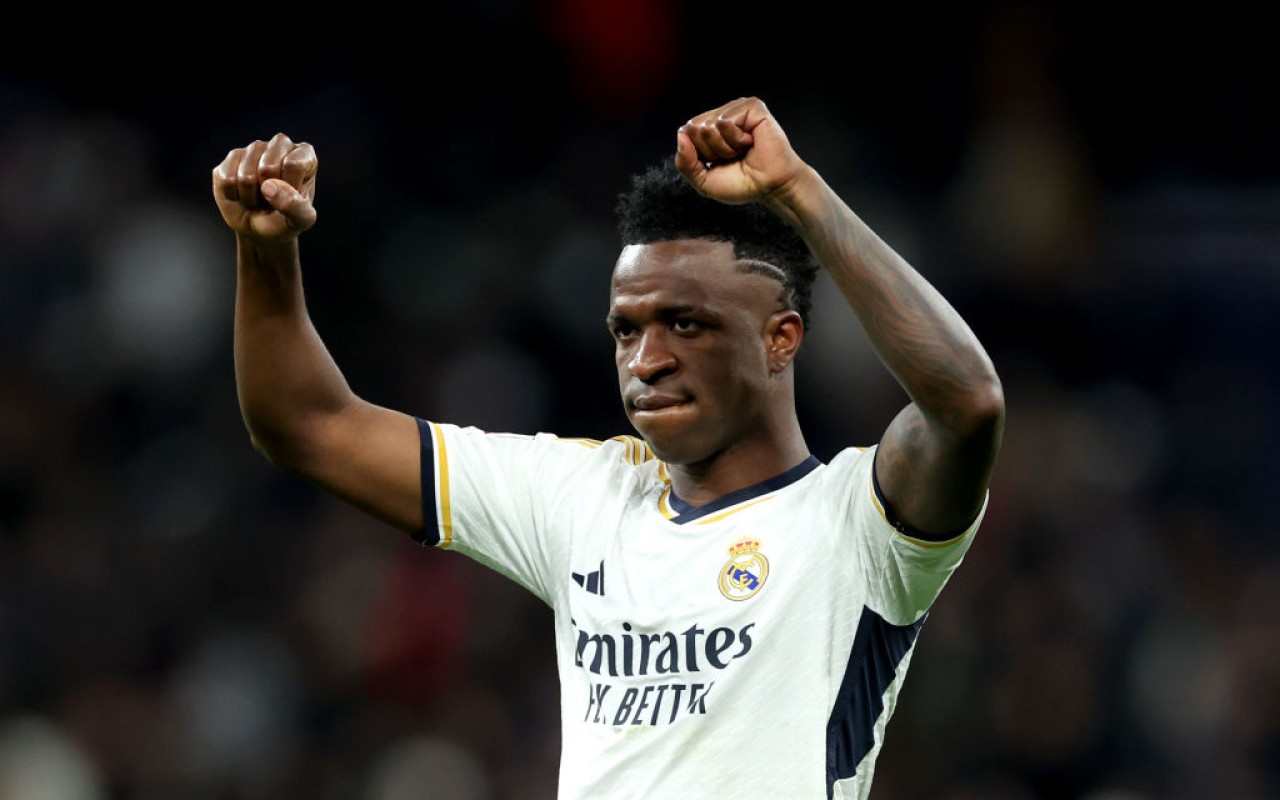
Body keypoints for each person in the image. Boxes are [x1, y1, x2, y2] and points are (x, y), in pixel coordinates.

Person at [211, 96, 1005, 799]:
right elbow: (307, 424)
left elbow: (966, 403)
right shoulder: (583, 498)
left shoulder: (857, 524)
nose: (645, 360)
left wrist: (798, 190)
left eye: (686, 324)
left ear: (781, 338)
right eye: (627, 330)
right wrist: (265, 251)